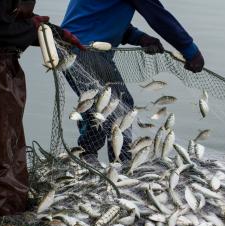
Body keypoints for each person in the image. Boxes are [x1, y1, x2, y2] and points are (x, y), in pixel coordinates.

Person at [61, 0, 205, 166]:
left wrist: (140, 38)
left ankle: (91, 157)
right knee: (117, 105)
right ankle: (120, 162)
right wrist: (190, 50)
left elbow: (102, 16)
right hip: (84, 51)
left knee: (99, 104)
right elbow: (158, 17)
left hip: (76, 48)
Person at [0, 0, 83, 220]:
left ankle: (12, 211)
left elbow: (2, 18)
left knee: (9, 147)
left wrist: (53, 32)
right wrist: (33, 28)